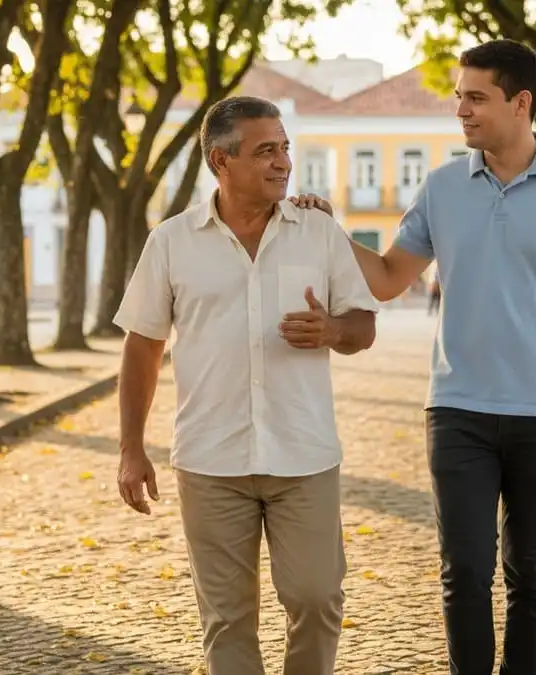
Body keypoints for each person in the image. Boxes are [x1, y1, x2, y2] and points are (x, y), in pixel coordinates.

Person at [291, 39, 536, 675]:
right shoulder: (443, 187)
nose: (461, 111)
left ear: (521, 102)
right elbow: (391, 278)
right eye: (458, 98)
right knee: (464, 570)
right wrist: (329, 231)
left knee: (532, 574)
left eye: (476, 98)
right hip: (457, 410)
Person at [113, 95, 377, 675]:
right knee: (227, 619)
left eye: (284, 148)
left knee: (316, 596)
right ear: (221, 161)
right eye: (266, 151)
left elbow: (363, 327)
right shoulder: (171, 241)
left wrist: (332, 329)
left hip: (304, 456)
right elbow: (143, 346)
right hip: (211, 461)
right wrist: (131, 449)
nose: (283, 161)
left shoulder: (319, 232)